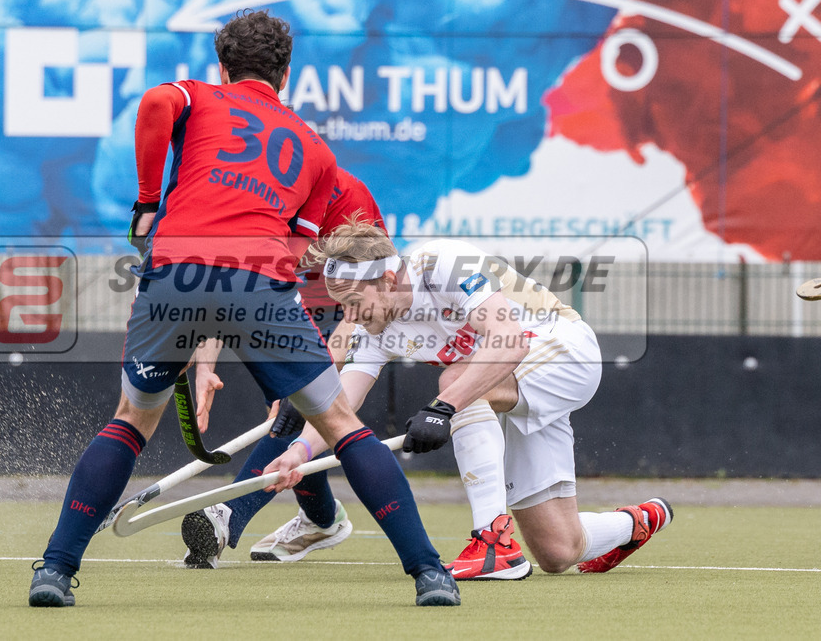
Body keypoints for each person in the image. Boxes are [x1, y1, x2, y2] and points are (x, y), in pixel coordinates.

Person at [28, 9, 460, 608]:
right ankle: (429, 574)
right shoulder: (315, 150)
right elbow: (286, 249)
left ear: (223, 66)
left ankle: (54, 569)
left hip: (175, 274)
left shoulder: (196, 96)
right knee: (338, 423)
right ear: (285, 74)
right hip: (259, 282)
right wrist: (276, 355)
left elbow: (154, 104)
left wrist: (149, 204)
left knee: (132, 419)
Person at [257, 221, 674, 579]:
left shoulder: (441, 262)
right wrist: (298, 453)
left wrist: (445, 407)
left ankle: (494, 543)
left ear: (386, 281)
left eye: (352, 301)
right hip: (512, 385)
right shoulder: (376, 326)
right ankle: (636, 523)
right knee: (557, 550)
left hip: (563, 350)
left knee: (457, 379)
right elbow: (343, 403)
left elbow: (508, 341)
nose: (349, 316)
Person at [180, 167, 385, 568]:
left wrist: (316, 378)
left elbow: (358, 306)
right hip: (283, 310)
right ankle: (322, 519)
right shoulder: (245, 200)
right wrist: (205, 367)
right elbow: (226, 291)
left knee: (300, 414)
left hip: (347, 312)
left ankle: (226, 516)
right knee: (294, 420)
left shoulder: (346, 198)